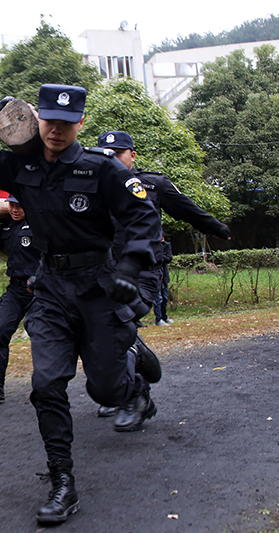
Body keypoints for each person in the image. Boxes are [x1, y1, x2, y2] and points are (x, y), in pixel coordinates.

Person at [0, 85, 163, 525]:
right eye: (48, 120)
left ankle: (135, 387)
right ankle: (62, 482)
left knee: (102, 390)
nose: (56, 130)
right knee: (46, 385)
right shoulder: (20, 165)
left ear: (80, 124)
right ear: (37, 118)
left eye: (67, 123)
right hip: (49, 288)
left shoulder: (101, 169)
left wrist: (130, 265)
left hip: (98, 287)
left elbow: (143, 216)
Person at [95, 131, 231, 416]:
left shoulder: (153, 184)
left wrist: (216, 228)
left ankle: (134, 392)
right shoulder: (92, 186)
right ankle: (127, 380)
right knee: (102, 328)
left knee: (116, 324)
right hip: (107, 273)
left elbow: (187, 209)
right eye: (106, 154)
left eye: (118, 153)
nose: (112, 158)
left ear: (132, 155)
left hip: (145, 272)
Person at [0, 195, 40, 402]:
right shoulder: (8, 227)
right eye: (11, 205)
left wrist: (38, 276)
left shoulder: (41, 224)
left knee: (40, 337)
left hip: (39, 291)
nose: (14, 209)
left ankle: (46, 383)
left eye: (19, 205)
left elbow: (51, 254)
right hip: (14, 291)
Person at [154, 239, 173, 326]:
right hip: (155, 274)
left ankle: (164, 316)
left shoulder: (166, 245)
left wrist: (160, 257)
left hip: (163, 275)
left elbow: (168, 258)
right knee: (158, 298)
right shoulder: (152, 245)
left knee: (164, 297)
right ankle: (159, 318)